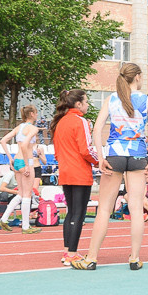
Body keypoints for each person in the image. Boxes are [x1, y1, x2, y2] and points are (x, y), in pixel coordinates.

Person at [69, 62, 148, 270]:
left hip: (115, 155)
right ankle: (134, 258)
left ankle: (91, 258)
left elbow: (97, 130)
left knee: (104, 209)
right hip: (137, 155)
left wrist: (100, 156)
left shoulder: (112, 99)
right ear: (137, 77)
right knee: (137, 209)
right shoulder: (147, 101)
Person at [51, 89, 95, 261]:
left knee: (70, 212)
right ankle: (71, 254)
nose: (88, 104)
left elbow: (57, 152)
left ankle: (67, 250)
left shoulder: (59, 122)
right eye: (86, 101)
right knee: (79, 213)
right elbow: (86, 149)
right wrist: (100, 162)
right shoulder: (80, 121)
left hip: (65, 171)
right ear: (78, 104)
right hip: (80, 172)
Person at [2, 105, 41, 234]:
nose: (37, 115)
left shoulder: (19, 127)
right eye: (35, 113)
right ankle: (25, 226)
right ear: (31, 114)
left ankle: (4, 218)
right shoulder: (33, 128)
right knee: (27, 194)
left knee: (20, 193)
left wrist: (10, 158)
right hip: (26, 161)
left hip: (17, 160)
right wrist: (27, 165)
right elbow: (25, 145)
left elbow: (3, 141)